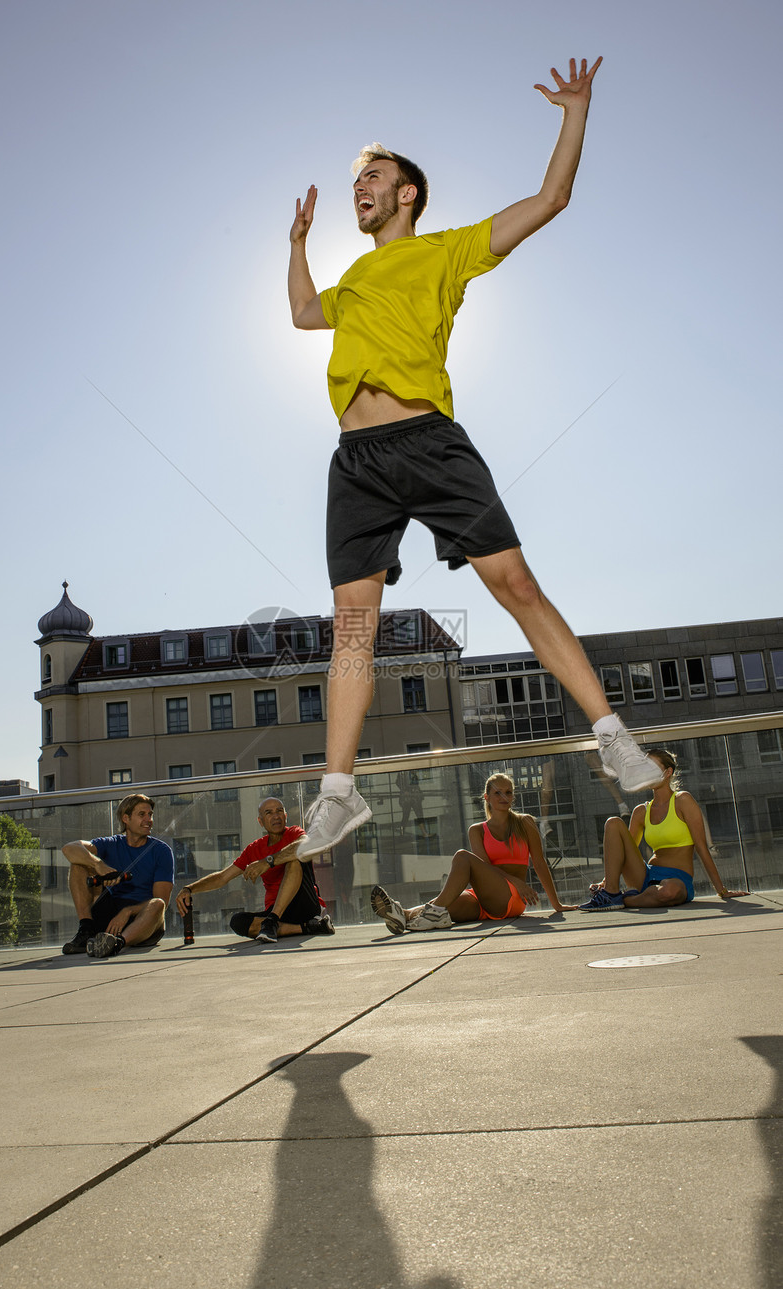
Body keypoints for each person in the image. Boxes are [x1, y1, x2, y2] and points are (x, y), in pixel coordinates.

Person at [288, 56, 662, 860]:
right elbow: (301, 312)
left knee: (515, 585)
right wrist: (297, 242)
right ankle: (337, 794)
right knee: (352, 628)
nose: (362, 183)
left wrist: (575, 114)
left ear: (407, 193)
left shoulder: (449, 251)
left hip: (430, 442)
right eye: (359, 175)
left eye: (375, 174)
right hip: (355, 459)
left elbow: (551, 200)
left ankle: (611, 733)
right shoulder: (351, 279)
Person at [371, 772, 576, 933]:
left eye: (509, 792)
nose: (504, 797)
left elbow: (539, 863)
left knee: (462, 857)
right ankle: (402, 914)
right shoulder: (477, 830)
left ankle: (423, 914)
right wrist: (518, 882)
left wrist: (556, 904)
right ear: (487, 797)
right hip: (480, 899)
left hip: (509, 899)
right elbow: (486, 869)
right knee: (443, 906)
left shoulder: (525, 822)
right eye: (498, 793)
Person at [579, 748, 750, 910]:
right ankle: (611, 892)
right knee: (613, 823)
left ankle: (628, 899)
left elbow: (701, 847)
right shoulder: (641, 811)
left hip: (677, 878)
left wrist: (722, 890)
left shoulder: (683, 801)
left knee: (669, 892)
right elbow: (623, 853)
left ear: (668, 772)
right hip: (644, 875)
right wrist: (605, 881)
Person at [174, 797, 335, 944]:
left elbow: (305, 844)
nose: (276, 816)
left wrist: (268, 861)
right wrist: (190, 888)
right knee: (237, 921)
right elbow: (222, 877)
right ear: (261, 821)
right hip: (279, 911)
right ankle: (307, 927)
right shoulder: (255, 849)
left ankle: (273, 922)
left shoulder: (294, 833)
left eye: (279, 811)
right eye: (269, 813)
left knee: (294, 858)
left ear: (285, 816)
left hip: (306, 904)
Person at [61, 793, 174, 958]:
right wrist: (98, 865)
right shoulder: (110, 843)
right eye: (142, 814)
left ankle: (116, 944)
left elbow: (162, 902)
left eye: (150, 815)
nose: (148, 819)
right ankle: (86, 929)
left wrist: (127, 912)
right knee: (78, 863)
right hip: (110, 916)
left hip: (143, 920)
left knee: (157, 904)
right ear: (125, 819)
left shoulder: (162, 851)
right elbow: (69, 848)